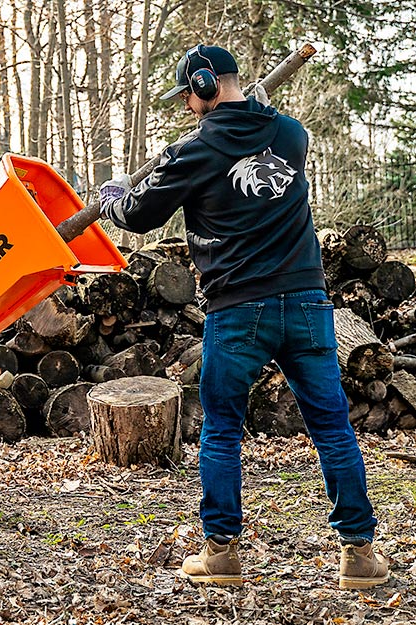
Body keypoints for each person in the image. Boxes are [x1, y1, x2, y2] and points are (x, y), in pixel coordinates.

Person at [97, 44, 389, 589]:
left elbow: (139, 215)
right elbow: (269, 135)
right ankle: (360, 555)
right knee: (332, 427)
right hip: (306, 303)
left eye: (188, 93)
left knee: (223, 431)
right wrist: (253, 113)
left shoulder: (195, 149)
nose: (187, 104)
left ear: (203, 85)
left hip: (237, 310)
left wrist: (115, 196)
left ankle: (223, 555)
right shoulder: (291, 135)